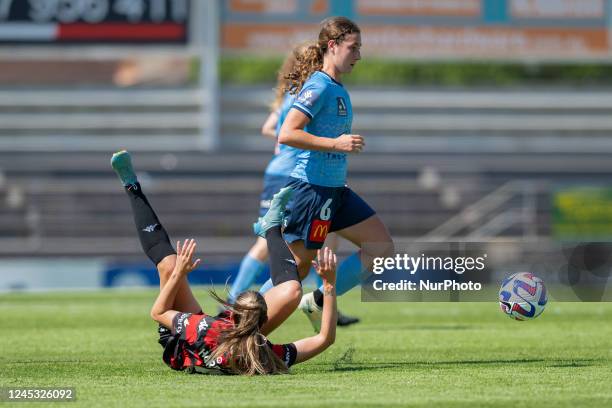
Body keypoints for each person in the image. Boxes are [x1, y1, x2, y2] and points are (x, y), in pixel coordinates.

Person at [111, 150, 338, 375]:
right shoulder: (263, 354)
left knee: (169, 266)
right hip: (224, 338)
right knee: (292, 291)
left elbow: (159, 313)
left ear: (231, 314)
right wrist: (328, 285)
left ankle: (132, 187)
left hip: (182, 342)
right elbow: (324, 339)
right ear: (264, 324)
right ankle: (272, 227)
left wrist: (178, 274)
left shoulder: (204, 328)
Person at [257, 17, 395, 333]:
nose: (358, 55)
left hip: (335, 191)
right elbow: (287, 133)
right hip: (312, 190)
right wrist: (336, 143)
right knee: (295, 270)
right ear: (332, 46)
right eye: (353, 47)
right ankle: (237, 330)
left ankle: (318, 300)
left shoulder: (335, 88)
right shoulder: (318, 86)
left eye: (360, 48)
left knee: (381, 246)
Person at [228, 41, 359, 327]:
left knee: (317, 244)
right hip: (291, 177)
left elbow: (270, 128)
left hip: (305, 177)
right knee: (271, 244)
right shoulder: (308, 93)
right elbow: (282, 131)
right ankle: (235, 302)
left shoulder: (297, 92)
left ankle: (322, 302)